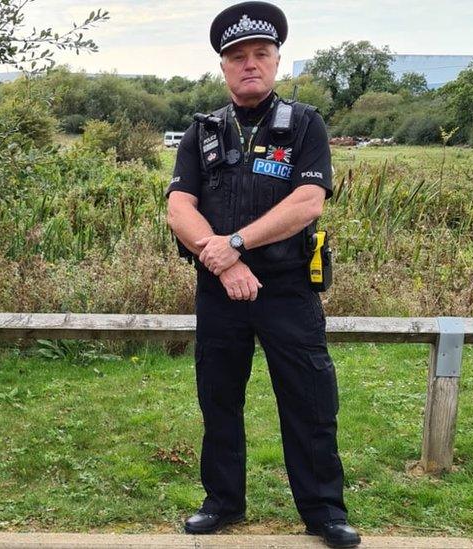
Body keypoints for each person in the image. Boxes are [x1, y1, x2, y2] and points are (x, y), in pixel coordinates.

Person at [165, 3, 360, 547]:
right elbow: (179, 209)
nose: (249, 64)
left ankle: (324, 513)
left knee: (309, 401)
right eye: (237, 57)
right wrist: (225, 266)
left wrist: (234, 246)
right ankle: (223, 502)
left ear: (276, 61)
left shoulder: (305, 125)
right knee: (219, 400)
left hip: (288, 290)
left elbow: (307, 202)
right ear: (223, 68)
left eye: (260, 54)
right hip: (220, 291)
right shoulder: (201, 131)